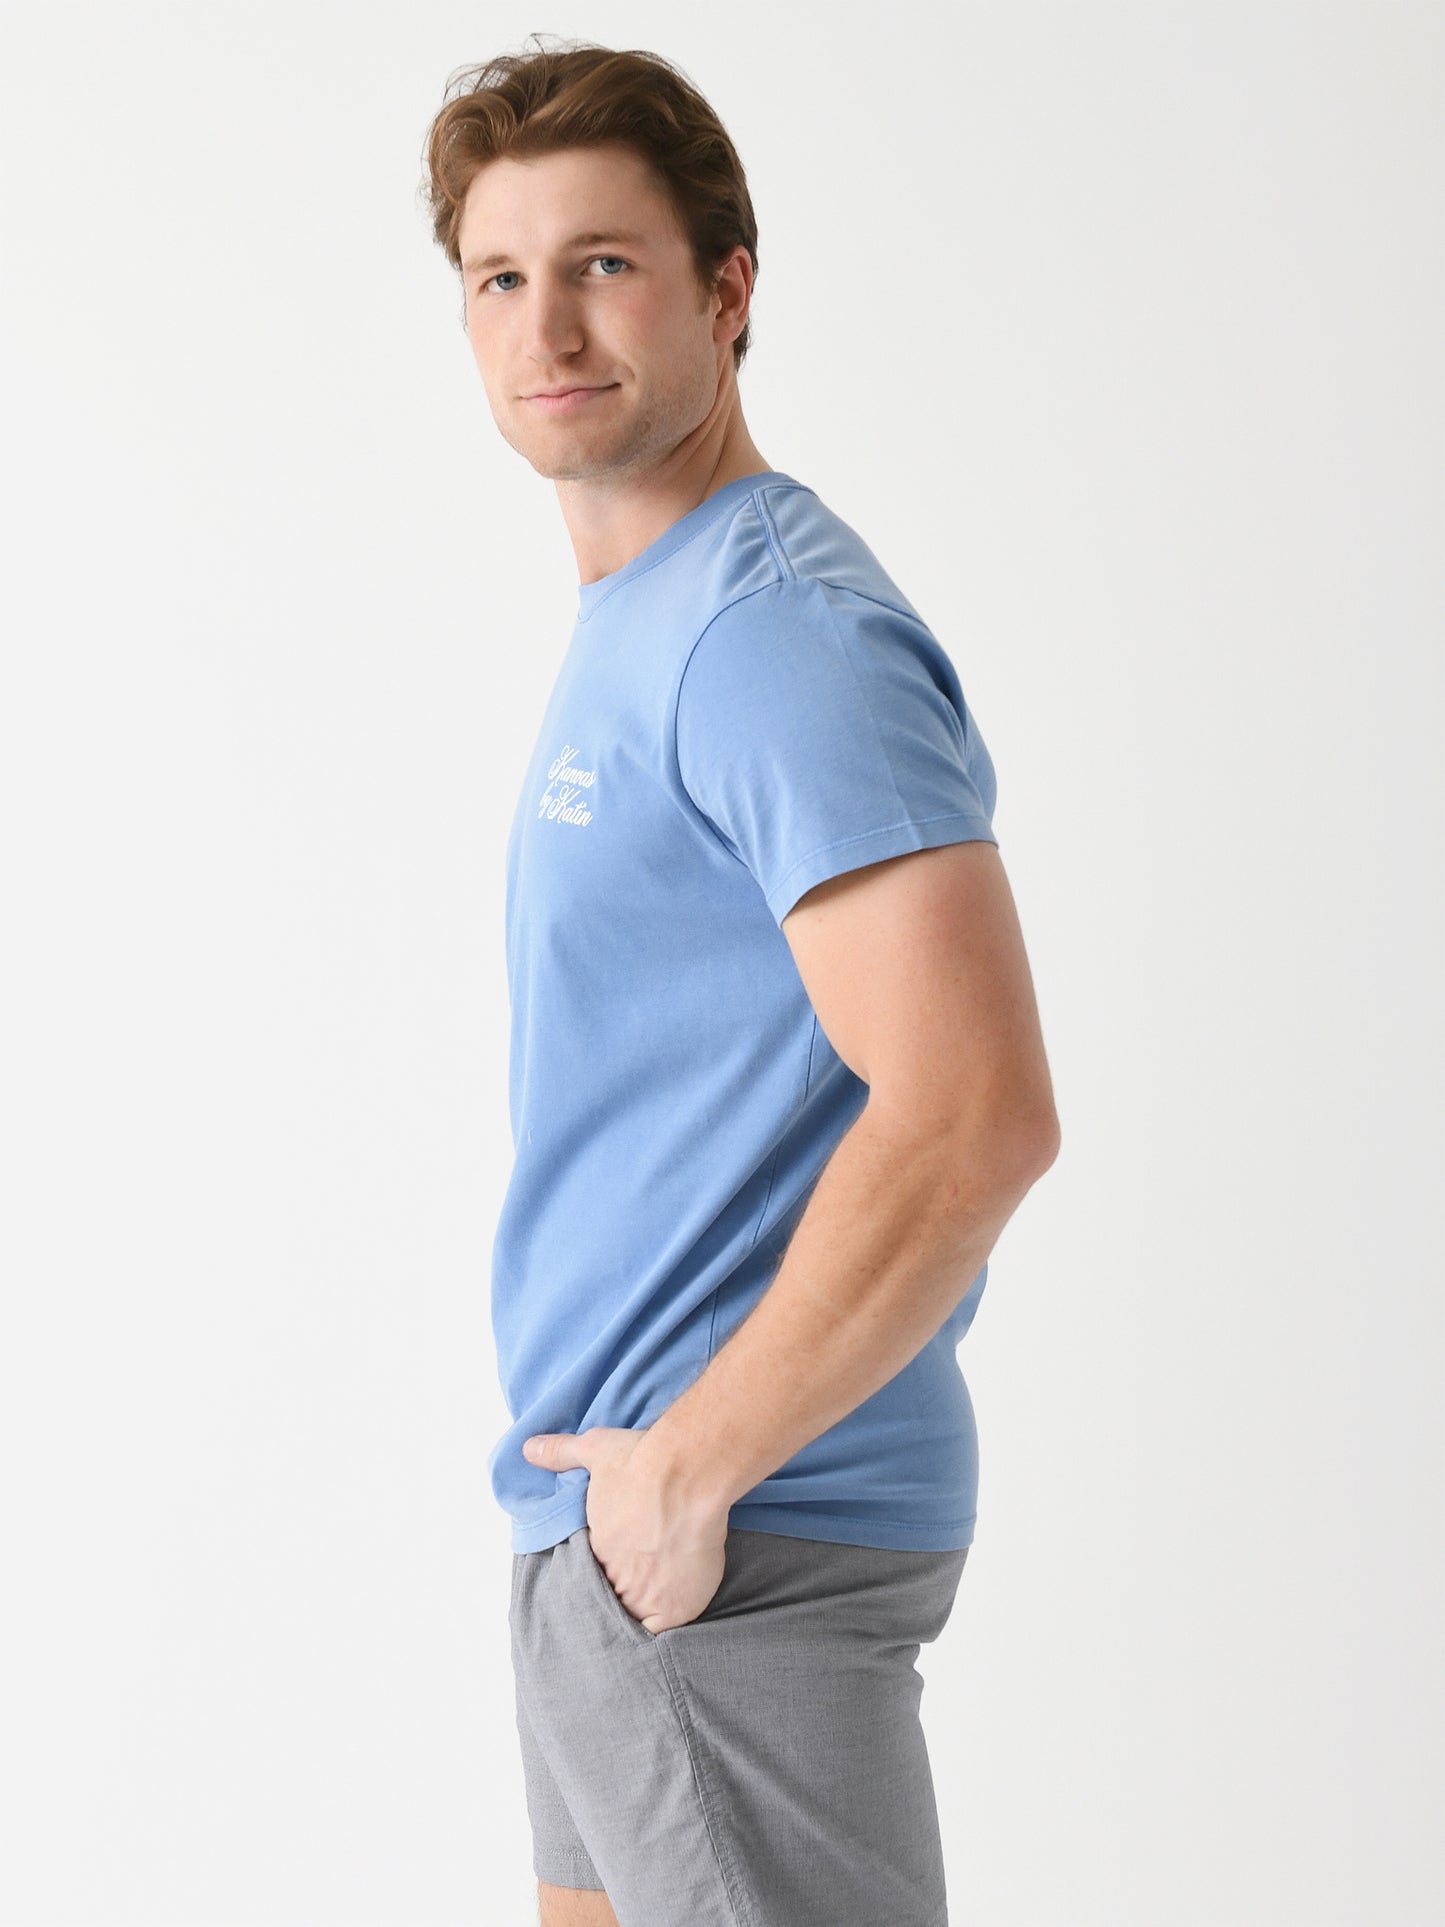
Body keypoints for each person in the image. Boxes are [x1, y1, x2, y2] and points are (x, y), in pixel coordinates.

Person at [421, 35, 1060, 1927]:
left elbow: (974, 1112)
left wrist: (693, 1473)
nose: (547, 324)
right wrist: (630, 1509)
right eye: (499, 276)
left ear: (726, 288)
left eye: (603, 263)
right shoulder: (652, 615)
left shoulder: (775, 638)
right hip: (622, 1538)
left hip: (728, 1544)